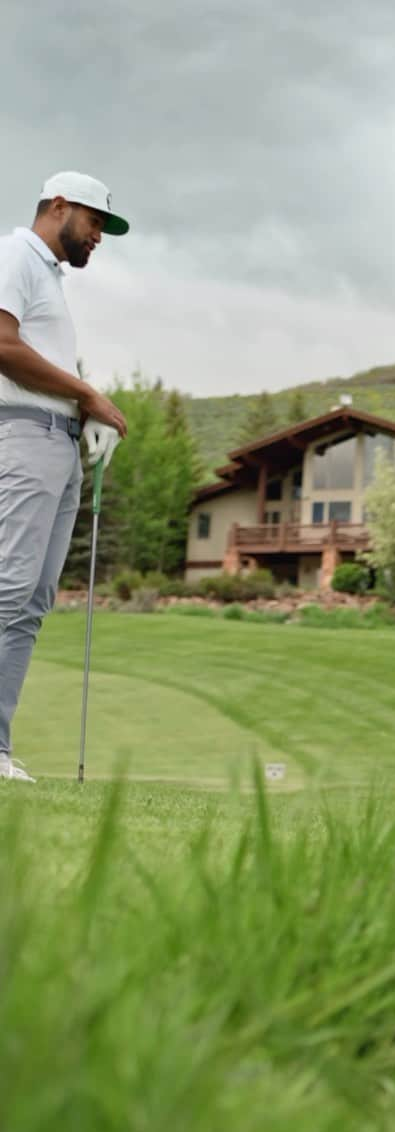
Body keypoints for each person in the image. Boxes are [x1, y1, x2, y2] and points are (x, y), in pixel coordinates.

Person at [0, 171, 130, 782]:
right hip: (23, 436)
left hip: (58, 443)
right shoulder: (13, 254)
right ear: (58, 206)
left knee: (31, 600)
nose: (99, 237)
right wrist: (89, 394)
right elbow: (2, 345)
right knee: (8, 587)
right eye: (95, 222)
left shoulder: (49, 278)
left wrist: (84, 415)